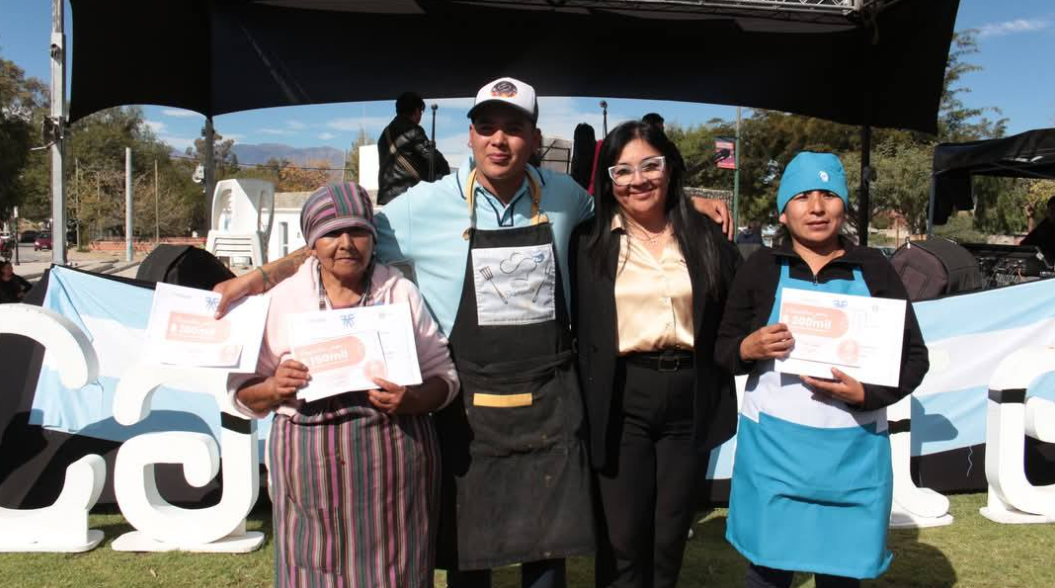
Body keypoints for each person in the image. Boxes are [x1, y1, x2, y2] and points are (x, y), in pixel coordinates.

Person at [212, 76, 733, 588]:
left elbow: (633, 204)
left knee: (547, 557)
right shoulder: (422, 205)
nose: (499, 140)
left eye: (514, 128)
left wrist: (689, 205)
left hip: (551, 401)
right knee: (470, 557)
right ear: (470, 136)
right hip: (469, 406)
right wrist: (255, 280)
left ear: (533, 138)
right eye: (487, 127)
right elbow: (340, 239)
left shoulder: (566, 197)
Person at [714, 152, 930, 588]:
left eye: (828, 195)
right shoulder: (760, 268)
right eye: (802, 196)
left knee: (841, 573)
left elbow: (913, 357)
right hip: (774, 452)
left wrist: (867, 395)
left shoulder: (875, 268)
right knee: (768, 570)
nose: (816, 207)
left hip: (853, 454)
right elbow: (722, 350)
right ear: (783, 211)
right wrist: (747, 347)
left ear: (844, 207)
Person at [229, 182, 459, 587]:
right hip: (310, 469)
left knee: (396, 571)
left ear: (373, 238)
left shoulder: (399, 293)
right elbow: (242, 392)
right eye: (332, 233)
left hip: (394, 469)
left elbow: (445, 376)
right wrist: (274, 388)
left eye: (358, 232)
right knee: (314, 570)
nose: (346, 244)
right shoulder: (284, 299)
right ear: (312, 244)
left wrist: (412, 399)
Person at [572, 120, 741, 588]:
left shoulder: (705, 235)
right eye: (622, 171)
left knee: (669, 538)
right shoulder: (586, 241)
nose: (638, 179)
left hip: (690, 394)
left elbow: (741, 305)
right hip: (622, 396)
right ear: (608, 180)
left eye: (650, 165)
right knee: (622, 540)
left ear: (669, 168)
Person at [377, 91, 450, 205]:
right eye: (421, 111)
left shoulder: (384, 135)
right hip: (409, 198)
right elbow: (435, 160)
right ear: (416, 111)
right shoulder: (413, 131)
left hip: (387, 199)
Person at [1021, 195, 1055, 264]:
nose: (1054, 214)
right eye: (1052, 210)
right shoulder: (1044, 226)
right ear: (1048, 213)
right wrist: (1043, 258)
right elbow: (1028, 247)